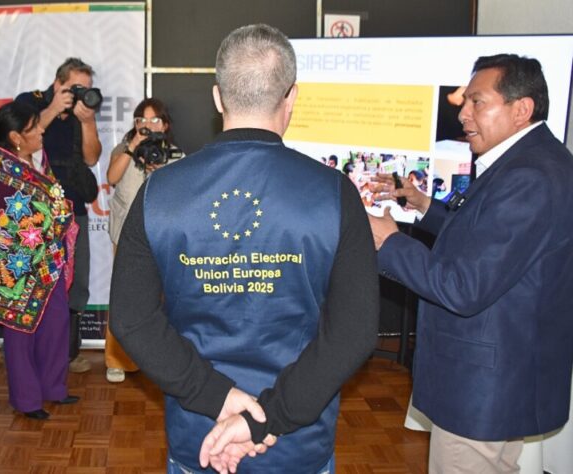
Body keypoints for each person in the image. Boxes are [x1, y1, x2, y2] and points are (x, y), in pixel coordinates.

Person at [110, 24, 379, 473]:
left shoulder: (159, 193)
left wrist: (216, 397)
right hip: (294, 439)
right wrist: (267, 417)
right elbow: (354, 332)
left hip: (202, 433)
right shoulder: (334, 193)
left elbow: (131, 320)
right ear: (292, 97)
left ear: (218, 98)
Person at [368, 54, 573, 473]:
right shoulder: (535, 161)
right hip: (502, 377)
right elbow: (486, 239)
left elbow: (464, 286)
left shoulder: (529, 177)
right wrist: (424, 205)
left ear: (521, 109)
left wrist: (389, 241)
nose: (463, 114)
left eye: (477, 102)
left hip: (484, 387)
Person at [0, 100, 79, 420]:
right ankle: (27, 400)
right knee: (20, 330)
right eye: (34, 128)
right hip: (16, 264)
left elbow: (50, 199)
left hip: (48, 257)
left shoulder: (40, 159)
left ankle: (54, 387)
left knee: (57, 322)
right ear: (15, 137)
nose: (41, 131)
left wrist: (57, 217)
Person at [16, 58, 103, 374]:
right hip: (36, 209)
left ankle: (68, 353)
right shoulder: (31, 102)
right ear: (57, 83)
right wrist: (54, 108)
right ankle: (29, 352)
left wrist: (88, 122)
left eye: (86, 88)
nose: (81, 94)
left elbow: (91, 157)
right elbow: (19, 141)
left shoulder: (82, 115)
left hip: (73, 209)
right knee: (34, 281)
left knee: (75, 283)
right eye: (75, 87)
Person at [105, 98, 182, 383]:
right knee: (122, 296)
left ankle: (156, 360)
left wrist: (159, 174)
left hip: (160, 235)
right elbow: (112, 178)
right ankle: (116, 361)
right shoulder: (123, 149)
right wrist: (133, 146)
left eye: (154, 120)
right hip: (125, 232)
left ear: (165, 124)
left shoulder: (176, 156)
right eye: (141, 119)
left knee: (160, 298)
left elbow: (179, 197)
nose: (147, 125)